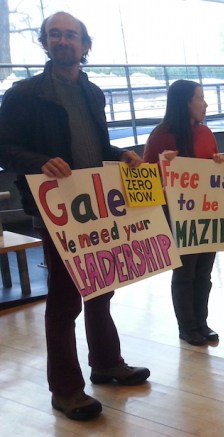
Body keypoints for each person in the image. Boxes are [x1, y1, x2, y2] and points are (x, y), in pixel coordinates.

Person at [0, 12, 149, 421]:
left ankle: (106, 363)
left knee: (103, 289)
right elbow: (5, 148)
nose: (63, 41)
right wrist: (41, 161)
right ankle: (65, 389)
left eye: (71, 36)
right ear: (44, 43)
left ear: (85, 45)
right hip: (57, 212)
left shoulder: (93, 92)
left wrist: (122, 156)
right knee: (65, 302)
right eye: (55, 35)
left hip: (97, 208)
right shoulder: (24, 94)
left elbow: (98, 145)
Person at [143, 80, 224, 345]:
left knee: (204, 271)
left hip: (207, 211)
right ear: (185, 102)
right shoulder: (161, 135)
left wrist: (219, 164)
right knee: (185, 272)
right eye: (200, 98)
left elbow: (213, 165)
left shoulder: (205, 132)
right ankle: (187, 325)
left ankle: (201, 322)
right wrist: (161, 165)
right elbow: (145, 178)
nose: (205, 104)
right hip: (178, 213)